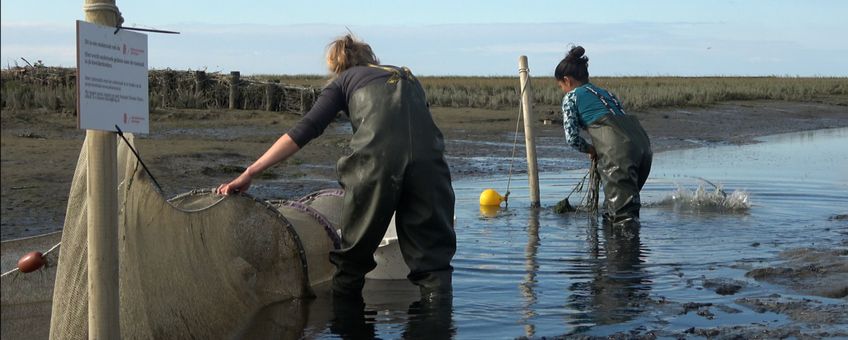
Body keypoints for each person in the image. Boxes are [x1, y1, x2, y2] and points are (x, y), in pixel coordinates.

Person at [217, 34, 456, 300]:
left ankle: (346, 324)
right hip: (432, 166)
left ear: (338, 66)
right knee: (434, 269)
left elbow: (304, 130)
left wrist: (250, 172)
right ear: (371, 59)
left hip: (376, 165)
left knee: (352, 263)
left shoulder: (343, 81)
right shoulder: (408, 78)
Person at [555, 45, 652, 226]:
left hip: (618, 151)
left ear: (567, 81)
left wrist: (590, 149)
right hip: (643, 146)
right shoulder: (607, 93)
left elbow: (572, 138)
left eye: (561, 86)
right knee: (623, 207)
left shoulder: (571, 97)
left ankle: (622, 253)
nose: (562, 90)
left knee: (623, 220)